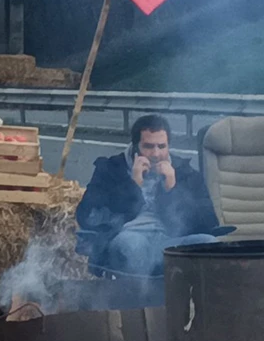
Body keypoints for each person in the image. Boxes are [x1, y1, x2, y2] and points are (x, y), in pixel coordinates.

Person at [75, 115, 220, 277]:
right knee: (132, 246)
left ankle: (197, 300)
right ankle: (141, 300)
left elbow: (209, 221)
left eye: (162, 146)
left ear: (168, 146)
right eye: (148, 146)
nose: (156, 154)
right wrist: (133, 185)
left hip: (172, 239)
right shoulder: (111, 169)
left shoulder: (184, 172)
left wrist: (171, 189)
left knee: (208, 244)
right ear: (136, 146)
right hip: (128, 236)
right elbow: (86, 215)